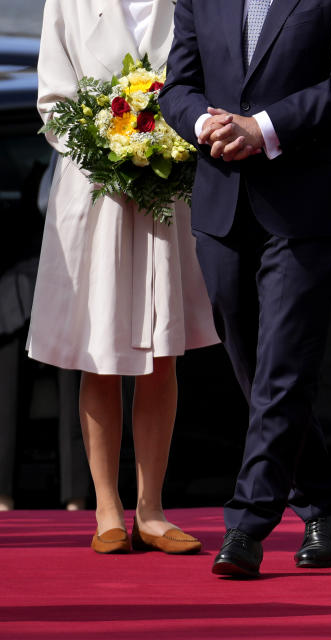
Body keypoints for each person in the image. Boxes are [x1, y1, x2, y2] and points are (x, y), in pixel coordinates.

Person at [159, 0, 331, 577]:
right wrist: (206, 124)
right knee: (254, 366)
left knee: (283, 363)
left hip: (309, 203)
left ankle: (249, 522)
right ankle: (323, 500)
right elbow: (177, 85)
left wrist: (264, 127)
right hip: (222, 199)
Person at [30, 0, 219, 553]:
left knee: (163, 352)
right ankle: (107, 507)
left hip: (168, 193)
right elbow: (53, 102)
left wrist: (167, 146)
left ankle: (152, 510)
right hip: (97, 196)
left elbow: (203, 84)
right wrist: (110, 149)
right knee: (102, 350)